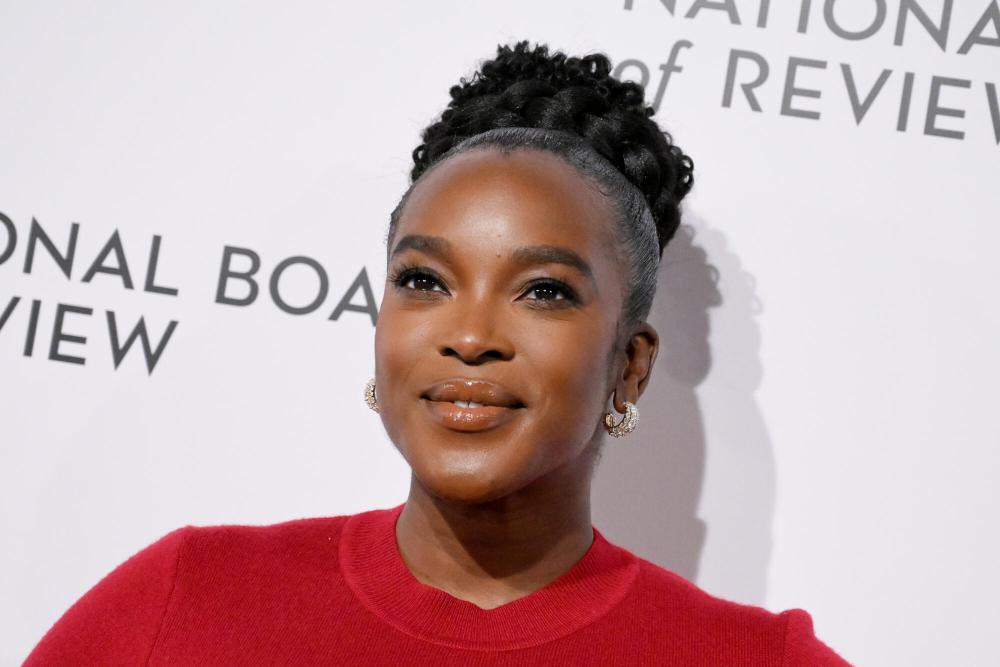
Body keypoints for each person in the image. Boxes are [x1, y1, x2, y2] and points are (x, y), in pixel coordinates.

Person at [23, 40, 850, 665]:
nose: (470, 335)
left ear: (629, 366)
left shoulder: (755, 657)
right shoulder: (187, 599)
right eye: (424, 280)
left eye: (543, 290)